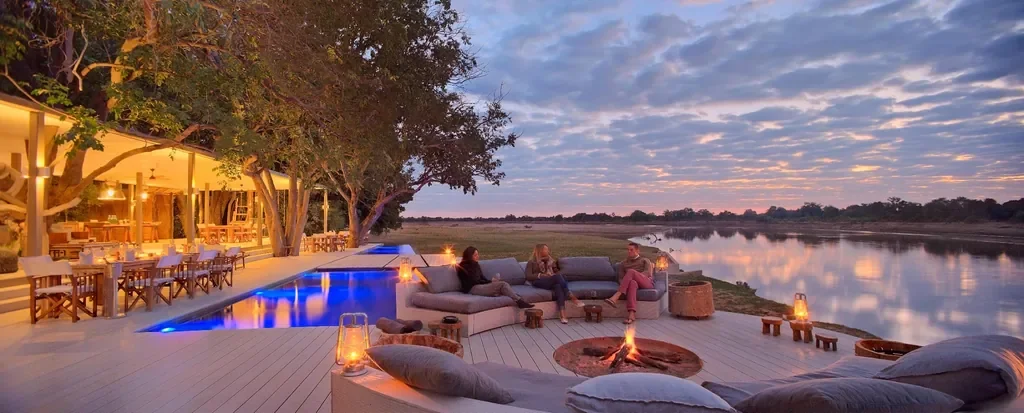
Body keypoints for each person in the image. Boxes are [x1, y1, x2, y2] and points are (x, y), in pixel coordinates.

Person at [457, 246, 534, 309]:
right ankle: (519, 302)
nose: (478, 257)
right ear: (469, 256)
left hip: (480, 285)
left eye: (478, 254)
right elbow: (474, 280)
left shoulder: (476, 265)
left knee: (504, 288)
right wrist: (489, 283)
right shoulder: (463, 267)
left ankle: (520, 300)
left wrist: (491, 281)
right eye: (475, 255)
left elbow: (482, 278)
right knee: (503, 284)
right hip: (472, 288)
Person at [526, 244, 584, 324]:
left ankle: (562, 315)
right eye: (545, 250)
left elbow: (556, 272)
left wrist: (555, 270)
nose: (548, 251)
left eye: (547, 249)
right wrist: (542, 275)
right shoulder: (532, 262)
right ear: (540, 251)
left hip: (552, 280)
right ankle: (571, 296)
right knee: (557, 278)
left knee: (558, 286)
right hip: (539, 281)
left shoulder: (551, 260)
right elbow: (528, 276)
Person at [604, 242, 654, 324]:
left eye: (631, 250)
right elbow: (621, 278)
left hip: (646, 282)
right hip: (633, 283)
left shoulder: (645, 260)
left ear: (638, 251)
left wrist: (635, 275)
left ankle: (616, 295)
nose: (629, 252)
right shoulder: (623, 263)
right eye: (628, 250)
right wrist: (628, 281)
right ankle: (631, 314)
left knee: (631, 272)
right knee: (632, 283)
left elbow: (648, 273)